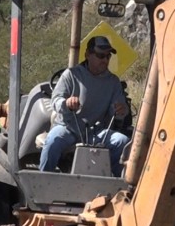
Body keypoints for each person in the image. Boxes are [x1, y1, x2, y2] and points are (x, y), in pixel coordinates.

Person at [39, 36, 129, 176]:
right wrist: (66, 103)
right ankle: (42, 181)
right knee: (53, 141)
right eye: (100, 55)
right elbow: (55, 100)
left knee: (122, 141)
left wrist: (120, 111)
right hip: (68, 128)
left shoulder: (113, 82)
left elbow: (119, 111)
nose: (105, 60)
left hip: (97, 132)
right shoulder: (71, 75)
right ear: (88, 54)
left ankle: (117, 186)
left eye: (108, 56)